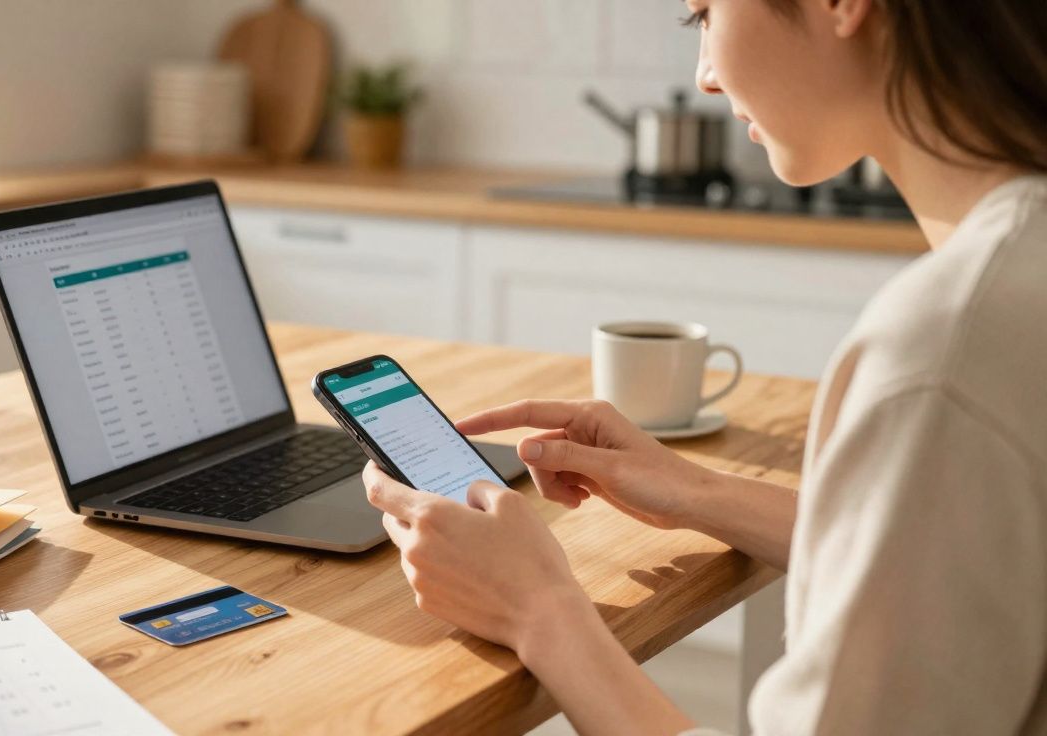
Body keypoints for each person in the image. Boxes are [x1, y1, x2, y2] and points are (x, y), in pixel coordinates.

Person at [362, 0, 1047, 733]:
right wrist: (694, 491)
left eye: (703, 14)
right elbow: (965, 567)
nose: (706, 75)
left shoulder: (942, 352)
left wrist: (540, 611)